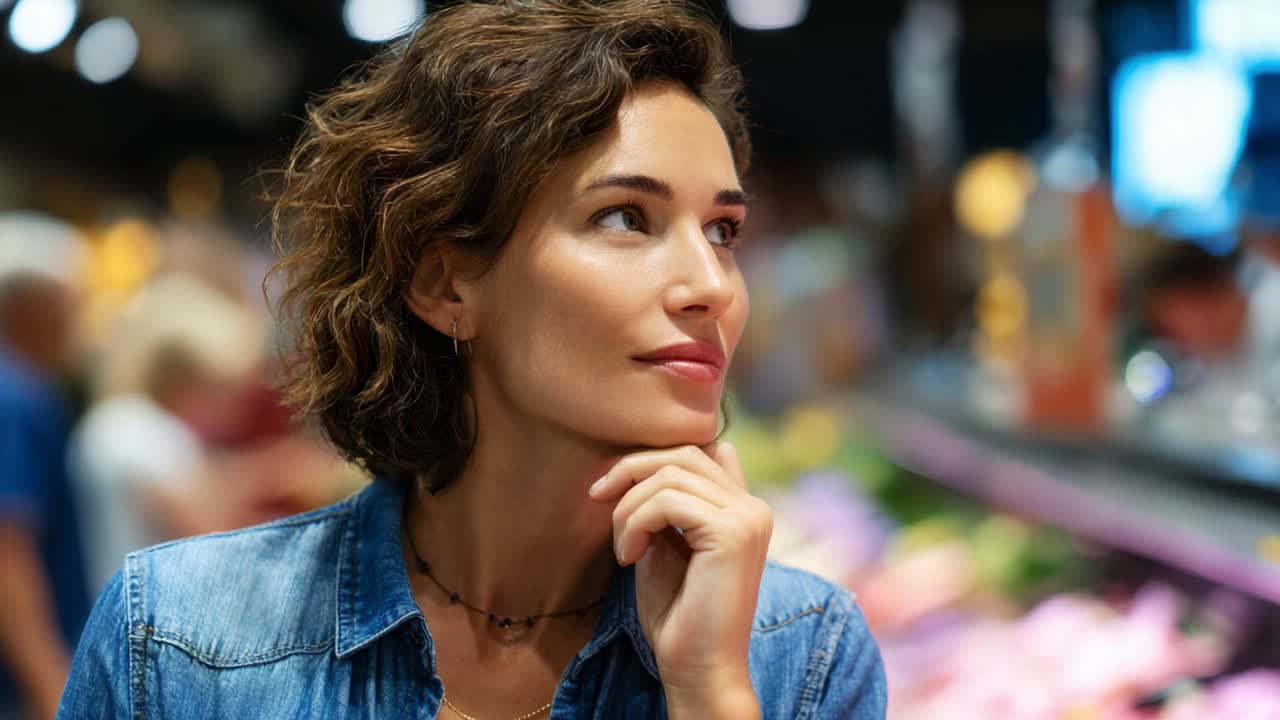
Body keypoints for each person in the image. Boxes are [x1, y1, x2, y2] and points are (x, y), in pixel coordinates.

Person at [58, 1, 888, 718]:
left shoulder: (802, 655)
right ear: (443, 282)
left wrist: (709, 690)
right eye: (626, 218)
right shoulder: (177, 642)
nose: (712, 286)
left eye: (723, 232)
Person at [0, 272, 90, 720]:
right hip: (18, 687)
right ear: (35, 311)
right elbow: (8, 545)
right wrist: (51, 688)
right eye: (71, 309)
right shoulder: (16, 398)